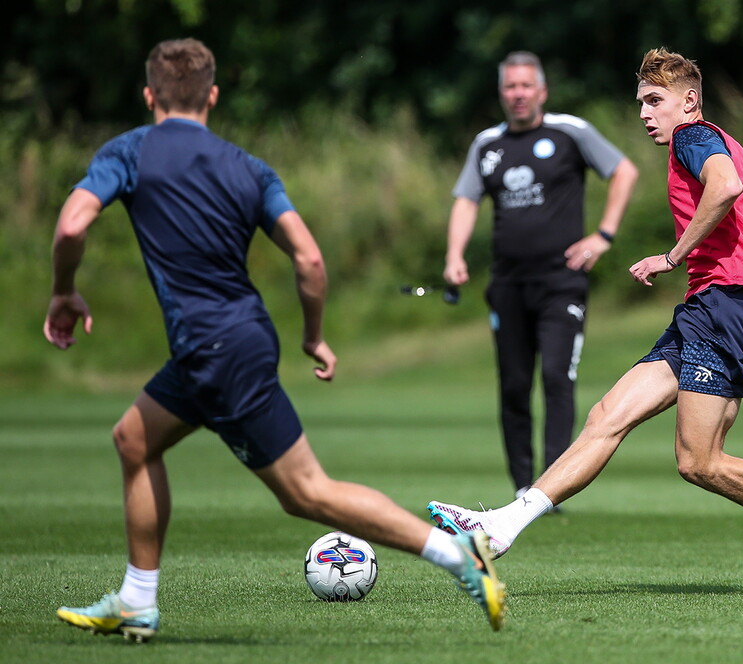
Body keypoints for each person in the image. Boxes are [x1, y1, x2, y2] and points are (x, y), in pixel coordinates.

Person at [45, 38, 505, 641]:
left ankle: (457, 555)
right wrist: (313, 335)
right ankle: (136, 601)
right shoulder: (248, 167)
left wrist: (63, 291)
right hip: (229, 342)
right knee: (133, 439)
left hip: (215, 349)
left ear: (150, 94)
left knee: (307, 493)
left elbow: (74, 221)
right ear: (212, 95)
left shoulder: (128, 151)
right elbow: (309, 260)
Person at [429, 47, 743, 597]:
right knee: (608, 415)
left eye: (655, 100)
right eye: (641, 102)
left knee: (698, 462)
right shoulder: (737, 155)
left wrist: (673, 254)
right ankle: (501, 525)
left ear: (690, 101)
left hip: (724, 307)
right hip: (714, 311)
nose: (645, 113)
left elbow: (722, 189)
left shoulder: (696, 138)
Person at [444, 51, 639, 501]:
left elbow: (624, 171)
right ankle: (520, 487)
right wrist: (454, 255)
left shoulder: (570, 132)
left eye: (525, 86)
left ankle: (549, 490)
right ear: (501, 93)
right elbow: (466, 200)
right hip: (508, 285)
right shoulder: (486, 144)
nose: (518, 94)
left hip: (561, 283)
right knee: (513, 385)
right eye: (510, 86)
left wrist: (603, 235)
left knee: (556, 377)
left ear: (542, 91)